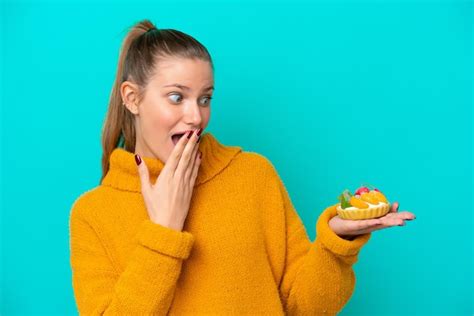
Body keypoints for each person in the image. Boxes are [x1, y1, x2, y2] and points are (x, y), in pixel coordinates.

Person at [69, 19, 416, 315]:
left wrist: (337, 240)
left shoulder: (252, 174)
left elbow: (303, 304)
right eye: (177, 97)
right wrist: (164, 232)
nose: (196, 117)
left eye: (205, 98)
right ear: (132, 98)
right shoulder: (92, 214)